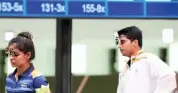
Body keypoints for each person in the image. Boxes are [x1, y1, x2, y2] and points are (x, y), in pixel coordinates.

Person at [115, 26, 177, 93]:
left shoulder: (148, 59)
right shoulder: (125, 69)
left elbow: (169, 77)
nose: (119, 45)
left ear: (135, 42)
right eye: (118, 42)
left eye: (123, 42)